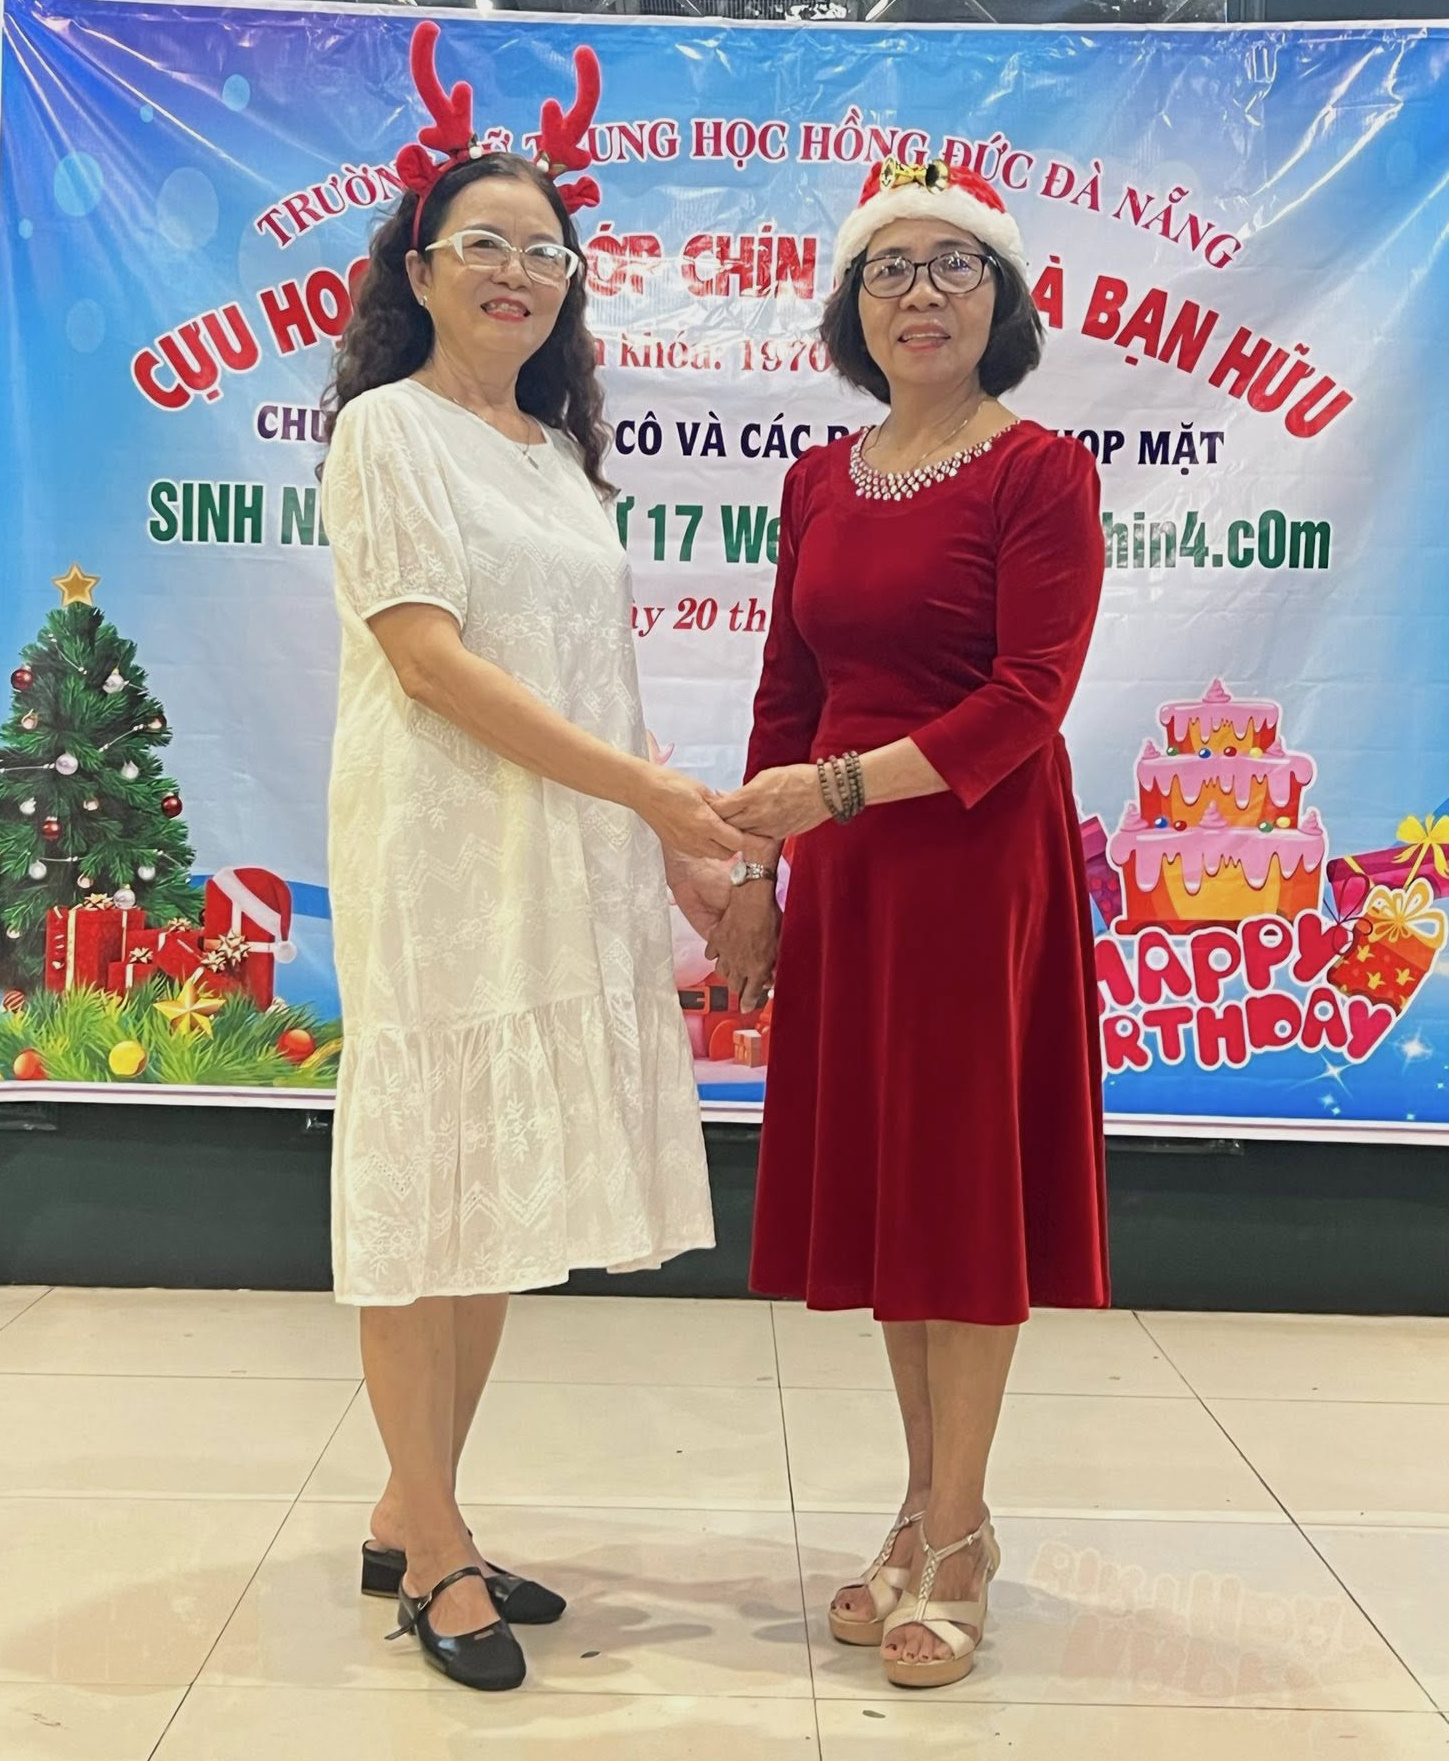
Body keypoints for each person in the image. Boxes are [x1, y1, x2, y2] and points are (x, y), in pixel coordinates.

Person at [320, 25, 725, 1692]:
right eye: (481, 242)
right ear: (418, 269)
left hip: (553, 854)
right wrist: (647, 795)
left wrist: (664, 840)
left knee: (488, 1205)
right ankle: (436, 1548)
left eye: (543, 251)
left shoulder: (554, 456)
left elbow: (592, 674)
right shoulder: (385, 431)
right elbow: (429, 662)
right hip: (437, 851)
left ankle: (406, 1508)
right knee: (424, 1195)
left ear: (569, 286)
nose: (515, 272)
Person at [711, 156, 1110, 1691]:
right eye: (889, 269)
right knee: (893, 1197)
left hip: (970, 860)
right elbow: (786, 689)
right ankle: (924, 1503)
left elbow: (1025, 701)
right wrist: (757, 873)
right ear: (850, 307)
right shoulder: (818, 480)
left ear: (999, 302)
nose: (920, 295)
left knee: (959, 1195)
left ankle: (957, 1531)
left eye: (954, 267)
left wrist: (837, 790)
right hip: (850, 872)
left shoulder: (1040, 473)